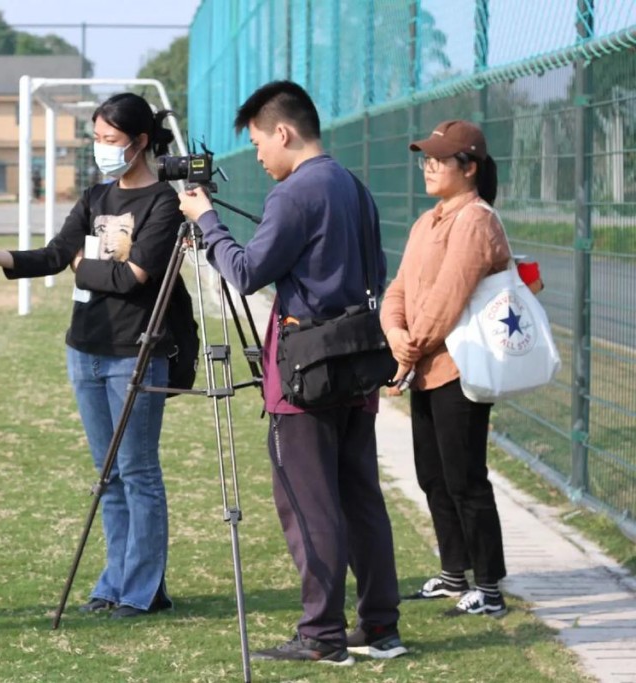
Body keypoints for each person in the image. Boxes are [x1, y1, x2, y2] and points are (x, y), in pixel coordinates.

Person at [178, 81, 404, 665]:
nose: (257, 155)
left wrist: (205, 220)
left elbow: (247, 271)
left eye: (257, 143)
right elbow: (376, 268)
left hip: (306, 366)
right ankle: (381, 627)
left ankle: (322, 636)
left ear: (282, 132)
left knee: (310, 504)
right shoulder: (353, 186)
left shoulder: (295, 192)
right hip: (356, 360)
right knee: (360, 498)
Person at [0, 93, 182, 618]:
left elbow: (133, 276)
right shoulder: (96, 198)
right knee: (108, 474)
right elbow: (54, 254)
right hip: (86, 352)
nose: (101, 149)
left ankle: (141, 592)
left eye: (111, 141)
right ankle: (116, 581)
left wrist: (81, 264)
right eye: (96, 139)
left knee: (138, 471)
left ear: (140, 143)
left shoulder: (165, 204)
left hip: (133, 356)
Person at [380, 120, 510, 618]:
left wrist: (406, 353)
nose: (429, 166)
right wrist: (396, 334)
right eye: (425, 158)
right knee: (432, 475)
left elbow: (447, 300)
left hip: (459, 369)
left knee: (466, 479)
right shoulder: (427, 220)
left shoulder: (476, 220)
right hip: (424, 366)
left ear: (470, 167)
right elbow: (400, 290)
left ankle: (489, 586)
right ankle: (454, 573)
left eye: (440, 158)